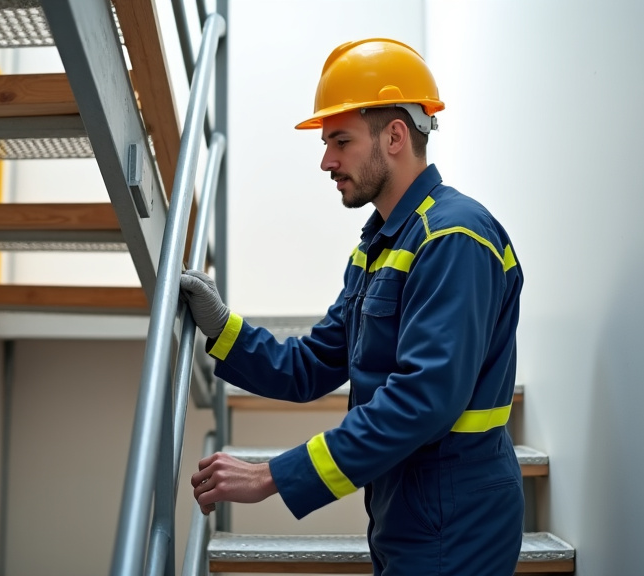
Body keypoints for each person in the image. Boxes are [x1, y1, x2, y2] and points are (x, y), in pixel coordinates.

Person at [180, 38, 524, 576]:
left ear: (394, 136)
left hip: (456, 516)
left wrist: (271, 476)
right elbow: (315, 363)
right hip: (406, 508)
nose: (326, 160)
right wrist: (223, 328)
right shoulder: (381, 245)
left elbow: (422, 401)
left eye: (340, 140)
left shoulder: (454, 236)